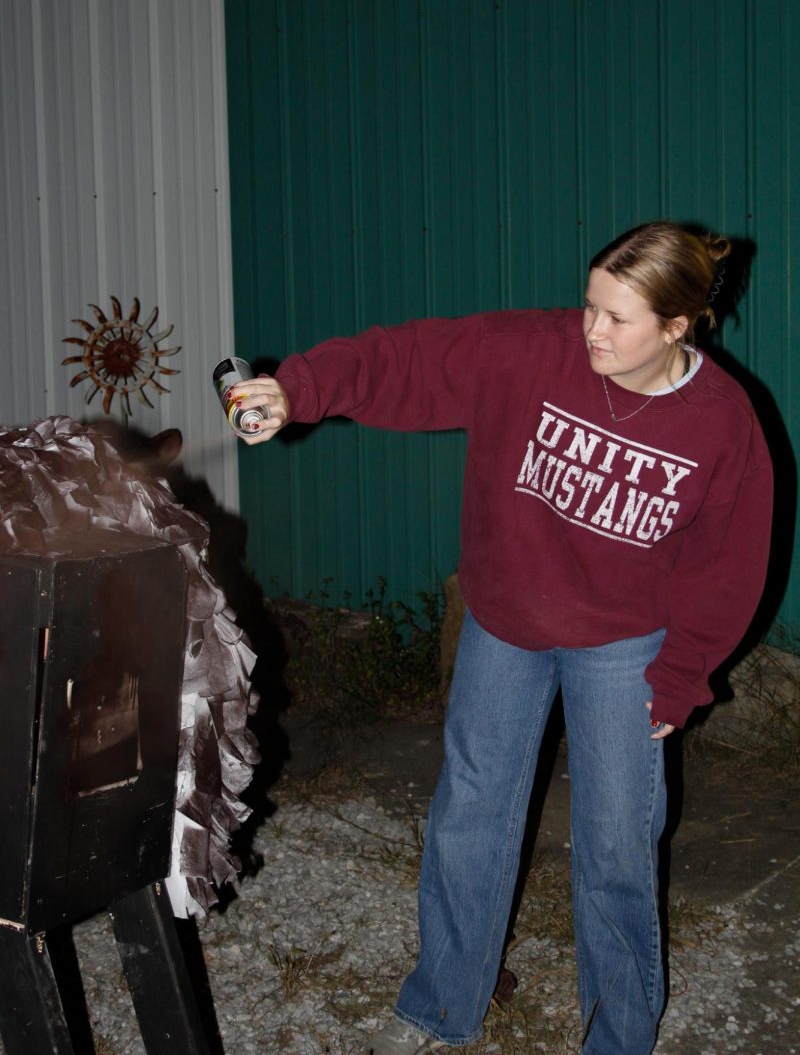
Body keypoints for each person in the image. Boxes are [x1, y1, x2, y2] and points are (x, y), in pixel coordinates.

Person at [233, 222, 773, 1055]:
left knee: (616, 843)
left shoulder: (722, 423)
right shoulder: (531, 352)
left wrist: (683, 673)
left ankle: (619, 1035)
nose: (591, 330)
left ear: (677, 326)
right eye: (589, 304)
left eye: (617, 319)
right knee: (470, 813)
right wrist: (295, 390)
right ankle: (445, 1004)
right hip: (506, 623)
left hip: (625, 644)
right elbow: (407, 360)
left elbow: (728, 563)